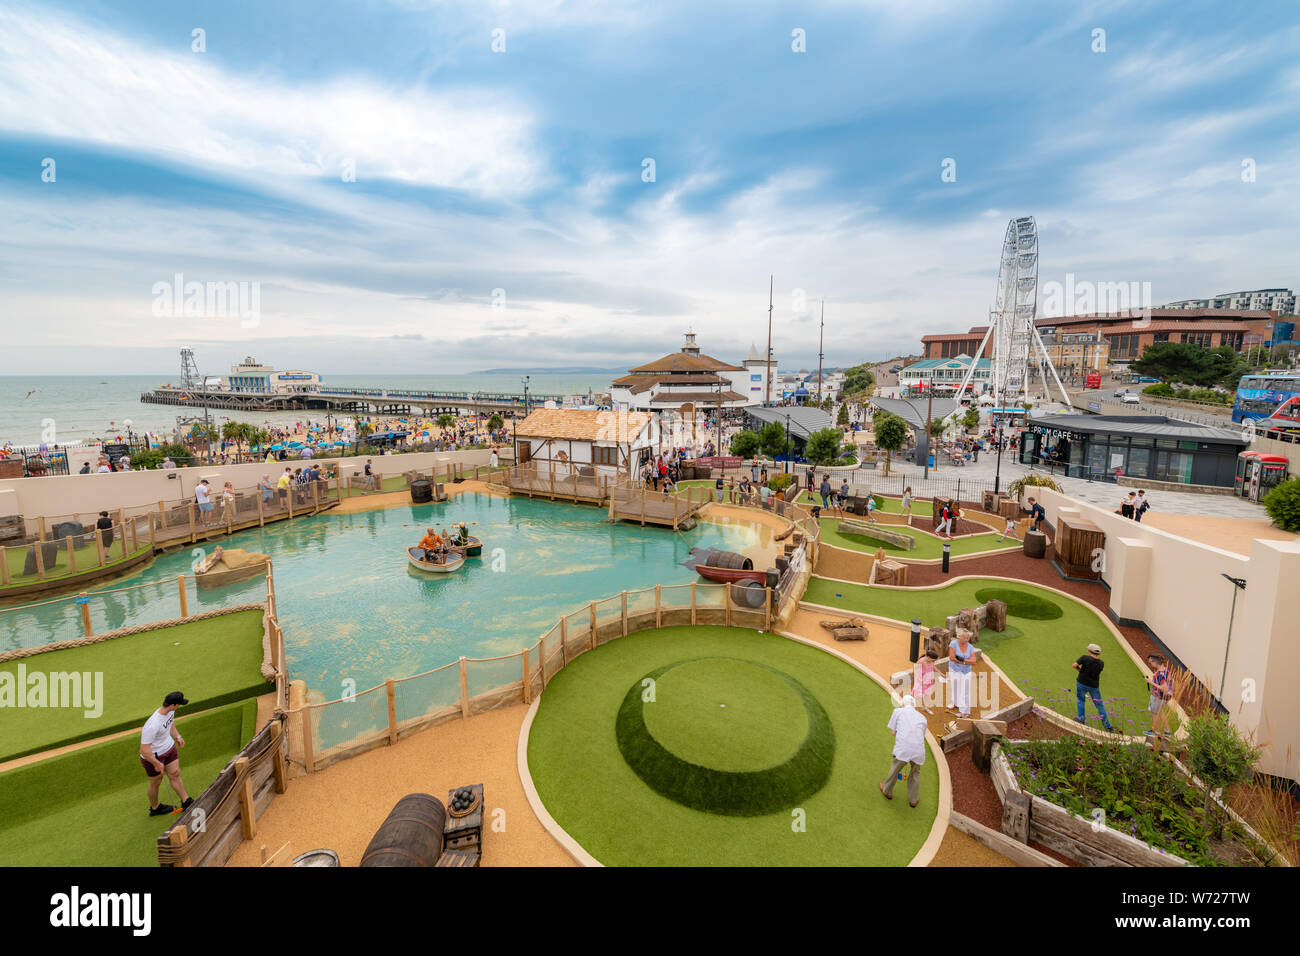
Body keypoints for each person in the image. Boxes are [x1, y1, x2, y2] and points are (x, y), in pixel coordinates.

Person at [139, 691, 193, 817]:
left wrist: (178, 737)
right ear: (173, 705)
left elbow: (171, 724)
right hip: (153, 756)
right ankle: (155, 808)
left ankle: (186, 801)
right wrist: (156, 763)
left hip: (169, 748)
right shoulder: (152, 725)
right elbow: (144, 750)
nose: (179, 706)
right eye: (179, 704)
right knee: (155, 782)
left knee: (175, 773)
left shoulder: (170, 711)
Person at [878, 694, 928, 808]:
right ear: (914, 705)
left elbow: (893, 732)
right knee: (916, 772)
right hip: (918, 751)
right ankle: (913, 800)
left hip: (903, 749)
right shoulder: (922, 718)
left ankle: (887, 791)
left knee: (895, 769)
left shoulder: (897, 711)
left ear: (903, 704)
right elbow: (921, 735)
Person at [1072, 643, 1114, 732]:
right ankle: (1108, 726)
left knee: (1081, 700)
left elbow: (1074, 665)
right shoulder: (1101, 663)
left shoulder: (1084, 658)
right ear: (1099, 653)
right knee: (1099, 705)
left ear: (1089, 651)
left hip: (1081, 683)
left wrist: (1079, 670)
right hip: (1094, 686)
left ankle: (1081, 720)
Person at [948, 631, 976, 719]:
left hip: (966, 671)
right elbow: (952, 657)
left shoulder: (970, 647)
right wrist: (967, 661)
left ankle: (964, 712)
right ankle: (955, 702)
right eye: (965, 638)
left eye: (968, 638)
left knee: (965, 691)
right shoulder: (953, 643)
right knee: (955, 687)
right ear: (959, 636)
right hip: (954, 669)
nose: (967, 640)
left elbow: (974, 661)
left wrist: (963, 660)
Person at [1145, 653, 1172, 738]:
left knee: (1155, 713)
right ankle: (1167, 732)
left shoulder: (1160, 674)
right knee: (1160, 712)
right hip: (1165, 698)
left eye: (1151, 662)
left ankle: (1155, 732)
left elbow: (1164, 689)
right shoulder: (1167, 671)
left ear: (1156, 662)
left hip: (1158, 697)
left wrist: (1150, 682)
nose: (1150, 664)